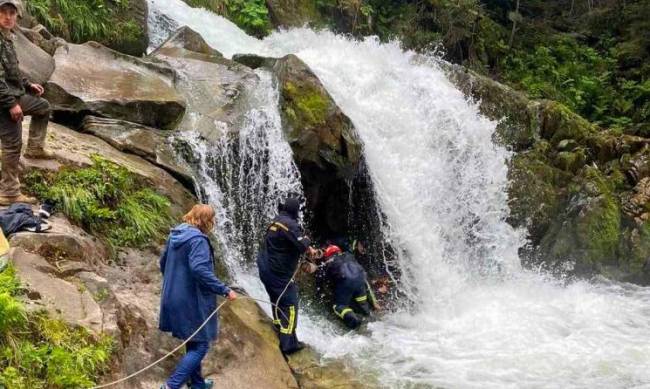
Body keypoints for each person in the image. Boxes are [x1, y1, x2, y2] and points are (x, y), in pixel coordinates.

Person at [159, 204, 237, 389]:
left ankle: (197, 384)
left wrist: (176, 282)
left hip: (172, 296)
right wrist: (224, 289)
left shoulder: (175, 234)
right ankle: (171, 386)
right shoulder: (198, 240)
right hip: (189, 301)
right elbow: (199, 269)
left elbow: (163, 263)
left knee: (193, 340)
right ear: (207, 221)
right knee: (201, 345)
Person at [0, 0, 53, 205]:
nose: (7, 16)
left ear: (17, 17)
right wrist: (12, 104)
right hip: (3, 101)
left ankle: (35, 147)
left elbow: (12, 72)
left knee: (43, 107)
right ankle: (9, 192)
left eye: (12, 13)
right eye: (3, 12)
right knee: (12, 144)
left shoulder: (7, 38)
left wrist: (28, 84)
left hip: (12, 93)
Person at [257, 196, 316, 355]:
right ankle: (289, 344)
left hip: (265, 269)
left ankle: (278, 326)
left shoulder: (277, 220)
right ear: (295, 211)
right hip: (278, 273)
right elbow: (302, 244)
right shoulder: (290, 224)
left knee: (276, 298)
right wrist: (308, 242)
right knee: (290, 305)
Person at [319, 244, 379, 329]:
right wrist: (374, 302)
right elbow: (365, 282)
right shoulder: (349, 255)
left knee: (339, 306)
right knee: (362, 303)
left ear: (328, 256)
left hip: (346, 283)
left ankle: (354, 321)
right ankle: (371, 318)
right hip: (361, 280)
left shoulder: (328, 263)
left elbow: (326, 281)